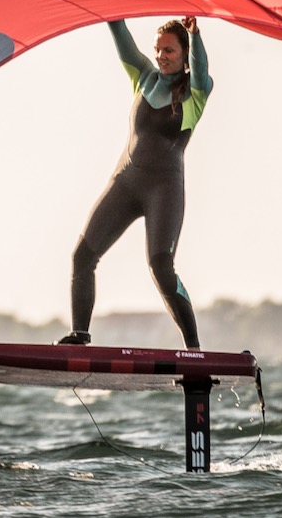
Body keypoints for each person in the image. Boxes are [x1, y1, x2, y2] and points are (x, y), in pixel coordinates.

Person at [57, 17, 213, 350]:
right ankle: (80, 335)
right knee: (82, 256)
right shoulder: (143, 77)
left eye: (169, 50)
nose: (161, 56)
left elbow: (201, 70)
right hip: (126, 184)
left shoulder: (196, 93)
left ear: (185, 54)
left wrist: (195, 34)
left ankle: (194, 349)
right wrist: (111, 9)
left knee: (161, 268)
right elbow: (121, 36)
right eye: (158, 49)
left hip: (164, 190)